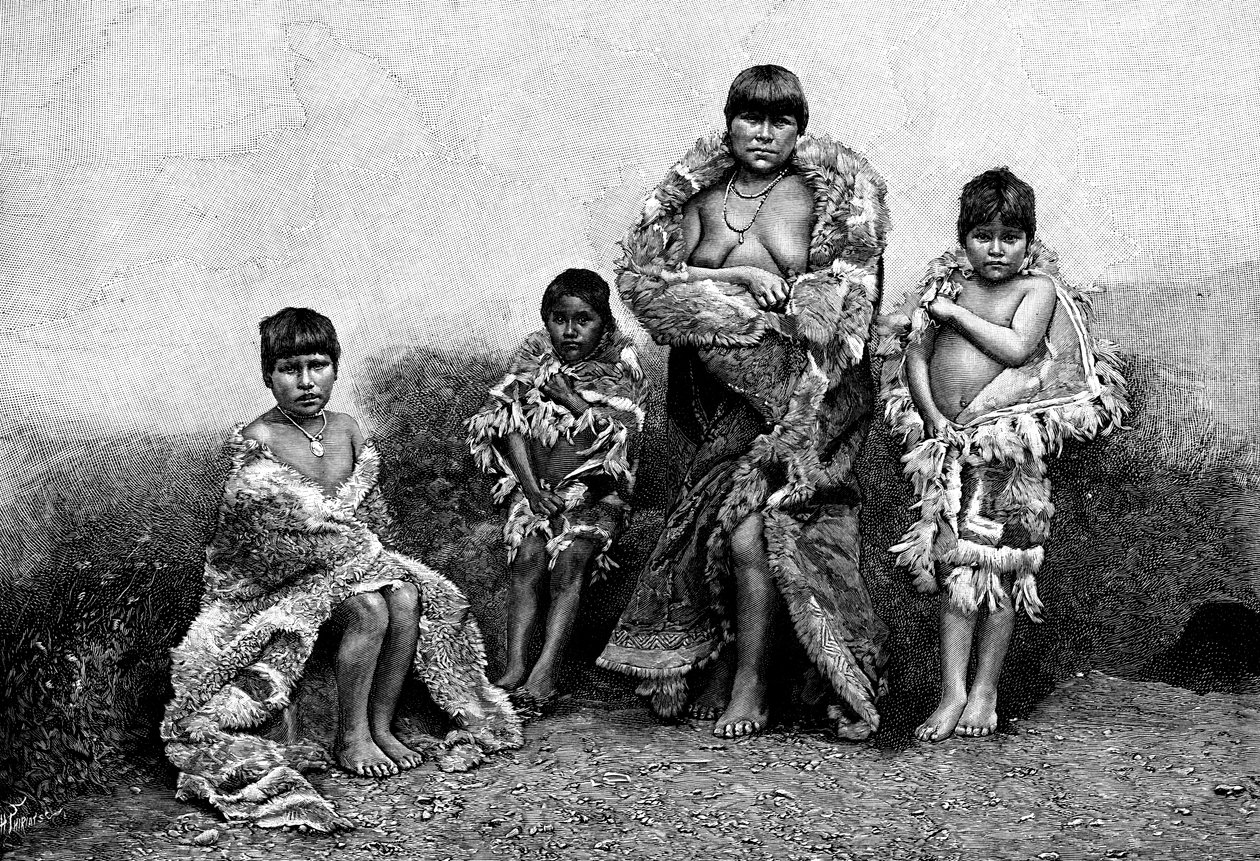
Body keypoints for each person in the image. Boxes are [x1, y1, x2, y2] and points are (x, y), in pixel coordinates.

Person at [599, 65, 891, 740]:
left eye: (781, 120)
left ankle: (756, 681)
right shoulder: (697, 199)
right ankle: (727, 661)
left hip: (808, 400)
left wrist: (790, 327)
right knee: (722, 527)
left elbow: (843, 304)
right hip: (726, 399)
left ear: (801, 129)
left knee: (758, 529)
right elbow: (655, 281)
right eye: (751, 118)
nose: (765, 133)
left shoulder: (826, 198)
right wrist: (738, 272)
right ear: (728, 122)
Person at [162, 308, 520, 832]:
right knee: (369, 606)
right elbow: (260, 542)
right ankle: (350, 734)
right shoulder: (257, 438)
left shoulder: (348, 430)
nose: (306, 382)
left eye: (318, 365)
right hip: (279, 583)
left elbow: (371, 518)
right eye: (290, 369)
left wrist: (380, 561)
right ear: (268, 375)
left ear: (335, 367)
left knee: (406, 596)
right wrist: (345, 564)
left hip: (352, 563)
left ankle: (381, 723)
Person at [880, 168, 1129, 742]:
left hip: (1011, 456)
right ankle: (952, 691)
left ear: (1029, 241)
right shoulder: (946, 285)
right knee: (954, 572)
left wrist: (957, 318)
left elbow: (1018, 349)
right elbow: (915, 356)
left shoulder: (1034, 291)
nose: (996, 249)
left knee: (1002, 571)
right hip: (951, 450)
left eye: (1010, 237)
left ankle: (986, 691)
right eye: (983, 235)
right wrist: (937, 419)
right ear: (963, 237)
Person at [467, 269, 648, 713]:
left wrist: (570, 400)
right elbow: (505, 422)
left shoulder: (623, 363)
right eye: (558, 318)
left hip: (595, 492)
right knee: (526, 554)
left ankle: (547, 668)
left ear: (603, 323)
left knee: (570, 558)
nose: (570, 330)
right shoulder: (534, 355)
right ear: (545, 320)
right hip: (536, 488)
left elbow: (621, 437)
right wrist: (531, 492)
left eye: (583, 319)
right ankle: (514, 666)